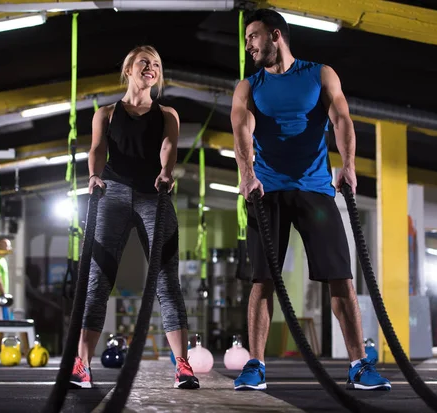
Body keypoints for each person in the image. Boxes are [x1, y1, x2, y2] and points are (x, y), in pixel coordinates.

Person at [231, 9, 391, 392]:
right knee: (262, 280)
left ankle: (357, 364)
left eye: (253, 37)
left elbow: (341, 118)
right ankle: (255, 364)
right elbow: (241, 124)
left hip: (315, 188)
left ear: (275, 35)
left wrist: (349, 166)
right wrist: (246, 174)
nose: (249, 45)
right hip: (265, 190)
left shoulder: (320, 74)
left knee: (341, 278)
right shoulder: (248, 86)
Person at [69, 45, 199, 390]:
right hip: (111, 194)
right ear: (128, 69)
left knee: (167, 282)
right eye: (145, 62)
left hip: (152, 196)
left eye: (156, 64)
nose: (151, 68)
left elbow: (168, 147)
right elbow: (97, 149)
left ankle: (183, 365)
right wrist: (94, 176)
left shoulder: (167, 113)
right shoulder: (107, 113)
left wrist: (166, 172)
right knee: (97, 281)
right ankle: (82, 365)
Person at [0, 238, 13, 320]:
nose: (10, 248)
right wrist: (3, 295)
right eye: (8, 246)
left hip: (2, 298)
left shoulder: (3, 260)